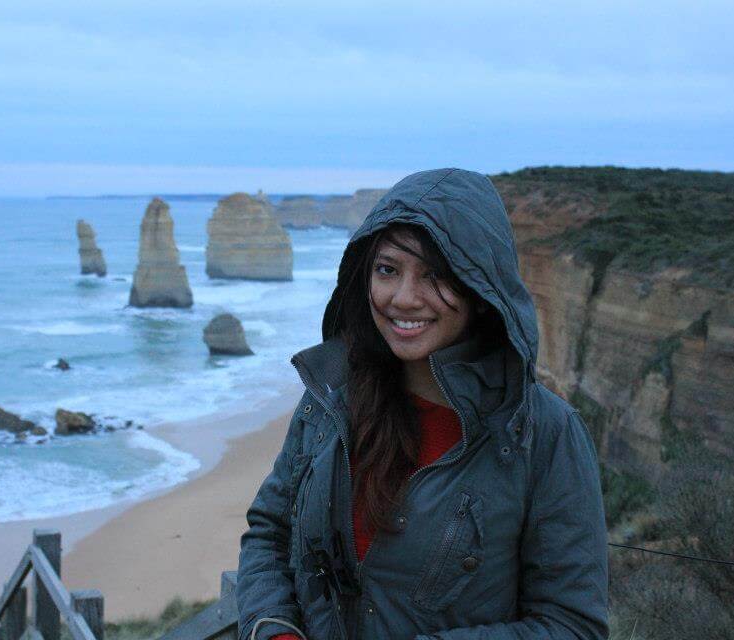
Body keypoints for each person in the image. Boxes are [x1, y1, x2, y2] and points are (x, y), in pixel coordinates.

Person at [236, 168, 608, 640]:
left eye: (435, 275)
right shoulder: (332, 398)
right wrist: (277, 633)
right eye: (387, 270)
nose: (404, 299)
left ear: (480, 290)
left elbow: (572, 625)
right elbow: (271, 533)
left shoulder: (544, 434)